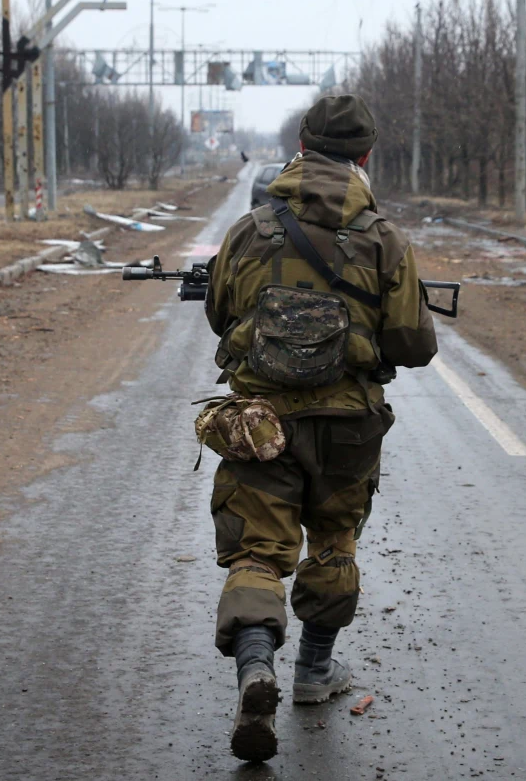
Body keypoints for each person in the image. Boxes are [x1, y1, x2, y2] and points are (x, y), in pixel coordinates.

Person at [203, 93, 438, 762]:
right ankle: (313, 671)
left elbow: (221, 315)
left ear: (301, 149)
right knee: (333, 539)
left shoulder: (252, 228)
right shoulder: (385, 236)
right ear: (366, 156)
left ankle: (255, 667)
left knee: (256, 551)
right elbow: (414, 346)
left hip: (260, 423)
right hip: (347, 425)